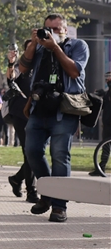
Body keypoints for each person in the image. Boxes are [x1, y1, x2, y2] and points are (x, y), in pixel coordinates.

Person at [18, 13, 89, 223]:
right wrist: (33, 44)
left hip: (64, 109)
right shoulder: (38, 47)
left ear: (66, 30)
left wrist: (55, 47)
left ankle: (59, 206)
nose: (51, 33)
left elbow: (75, 71)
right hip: (39, 108)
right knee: (31, 152)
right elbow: (22, 69)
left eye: (57, 29)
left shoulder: (78, 45)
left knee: (60, 155)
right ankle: (48, 193)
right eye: (48, 29)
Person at [6, 40, 39, 202]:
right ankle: (31, 191)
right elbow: (11, 78)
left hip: (39, 113)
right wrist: (10, 62)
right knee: (29, 151)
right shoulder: (20, 66)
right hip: (20, 113)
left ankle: (17, 179)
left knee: (36, 152)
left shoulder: (42, 65)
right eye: (30, 48)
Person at [88, 71, 111, 176]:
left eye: (109, 78)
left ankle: (101, 167)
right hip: (107, 123)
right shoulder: (107, 93)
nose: (107, 80)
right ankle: (101, 167)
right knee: (105, 146)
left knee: (106, 145)